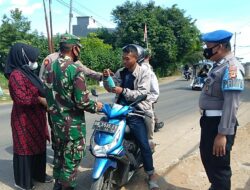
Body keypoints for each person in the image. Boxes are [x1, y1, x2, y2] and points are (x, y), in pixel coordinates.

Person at [43, 33, 103, 190]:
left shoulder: (49, 67)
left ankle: (58, 186)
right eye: (79, 49)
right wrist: (96, 106)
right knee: (71, 163)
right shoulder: (75, 69)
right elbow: (82, 101)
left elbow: (46, 94)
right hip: (72, 128)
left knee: (59, 159)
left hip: (56, 124)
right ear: (75, 49)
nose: (79, 52)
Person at [103, 44, 159, 190]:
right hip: (119, 110)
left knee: (144, 143)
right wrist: (106, 79)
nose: (124, 61)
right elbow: (110, 88)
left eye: (127, 59)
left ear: (136, 58)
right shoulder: (121, 72)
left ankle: (151, 174)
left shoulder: (144, 73)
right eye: (123, 59)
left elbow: (142, 93)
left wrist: (123, 91)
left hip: (136, 112)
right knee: (105, 134)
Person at [199, 30, 245, 190]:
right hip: (209, 122)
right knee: (207, 158)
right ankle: (216, 186)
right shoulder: (219, 66)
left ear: (220, 47)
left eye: (208, 46)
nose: (206, 50)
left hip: (219, 125)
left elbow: (231, 104)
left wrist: (222, 134)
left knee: (219, 166)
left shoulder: (231, 68)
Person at [4, 43, 52, 190]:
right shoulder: (16, 75)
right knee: (24, 149)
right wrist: (39, 99)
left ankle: (38, 175)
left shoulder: (27, 73)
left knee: (38, 146)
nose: (35, 61)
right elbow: (21, 99)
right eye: (32, 58)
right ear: (23, 57)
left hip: (36, 117)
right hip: (23, 120)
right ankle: (24, 182)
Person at [141, 49, 164, 133]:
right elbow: (153, 86)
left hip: (141, 95)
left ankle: (155, 124)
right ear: (148, 57)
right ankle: (154, 126)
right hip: (146, 96)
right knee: (149, 110)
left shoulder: (136, 66)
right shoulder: (147, 68)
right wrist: (153, 97)